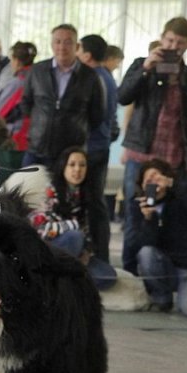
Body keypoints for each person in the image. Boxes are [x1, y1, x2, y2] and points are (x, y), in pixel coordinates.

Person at [117, 17, 187, 274]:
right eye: (169, 40)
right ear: (161, 38)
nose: (173, 45)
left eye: (180, 42)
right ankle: (131, 273)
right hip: (141, 155)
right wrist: (145, 68)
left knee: (176, 216)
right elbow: (123, 97)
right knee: (135, 214)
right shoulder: (141, 65)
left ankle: (163, 272)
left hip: (175, 158)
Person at [127, 158, 187, 317]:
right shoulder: (138, 205)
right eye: (148, 180)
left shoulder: (180, 197)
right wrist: (148, 219)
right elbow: (141, 244)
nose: (153, 182)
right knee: (146, 253)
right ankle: (161, 298)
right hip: (164, 265)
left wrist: (174, 184)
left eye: (157, 177)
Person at [28, 145, 116, 291]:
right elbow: (42, 230)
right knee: (74, 236)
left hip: (75, 255)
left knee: (107, 276)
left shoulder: (86, 194)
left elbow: (87, 233)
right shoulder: (51, 190)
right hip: (48, 252)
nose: (77, 169)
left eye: (82, 165)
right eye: (72, 164)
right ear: (64, 167)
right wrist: (72, 225)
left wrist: (86, 253)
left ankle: (65, 280)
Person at [20, 23, 104, 169]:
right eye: (57, 41)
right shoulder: (37, 71)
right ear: (52, 44)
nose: (62, 47)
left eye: (68, 42)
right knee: (28, 189)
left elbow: (97, 115)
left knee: (63, 192)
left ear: (77, 46)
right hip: (37, 148)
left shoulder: (90, 77)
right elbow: (26, 103)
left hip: (70, 153)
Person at [77, 34, 119, 262]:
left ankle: (100, 255)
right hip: (99, 144)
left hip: (92, 147)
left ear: (87, 55)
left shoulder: (95, 78)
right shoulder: (106, 76)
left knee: (93, 203)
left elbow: (96, 116)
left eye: (78, 49)